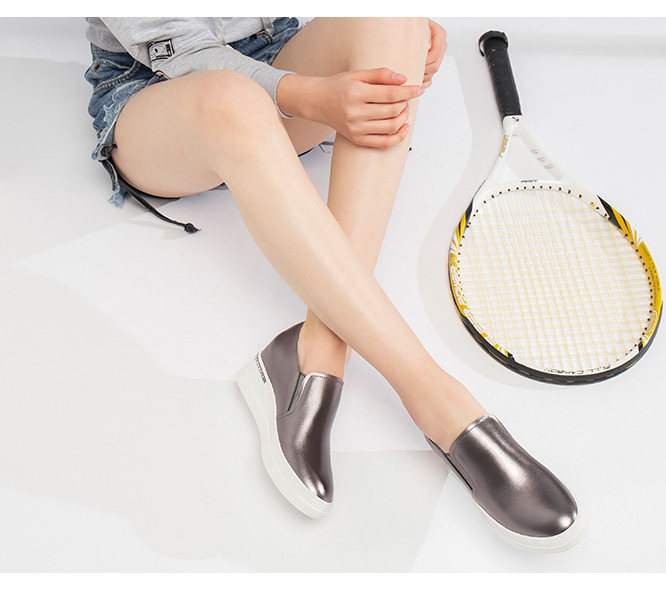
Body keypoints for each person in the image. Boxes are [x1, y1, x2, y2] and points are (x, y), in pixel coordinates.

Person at [83, 17, 585, 551]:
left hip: (273, 55)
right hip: (159, 97)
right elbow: (176, 48)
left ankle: (316, 352)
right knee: (233, 99)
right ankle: (436, 398)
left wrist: (407, 40)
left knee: (396, 24)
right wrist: (308, 94)